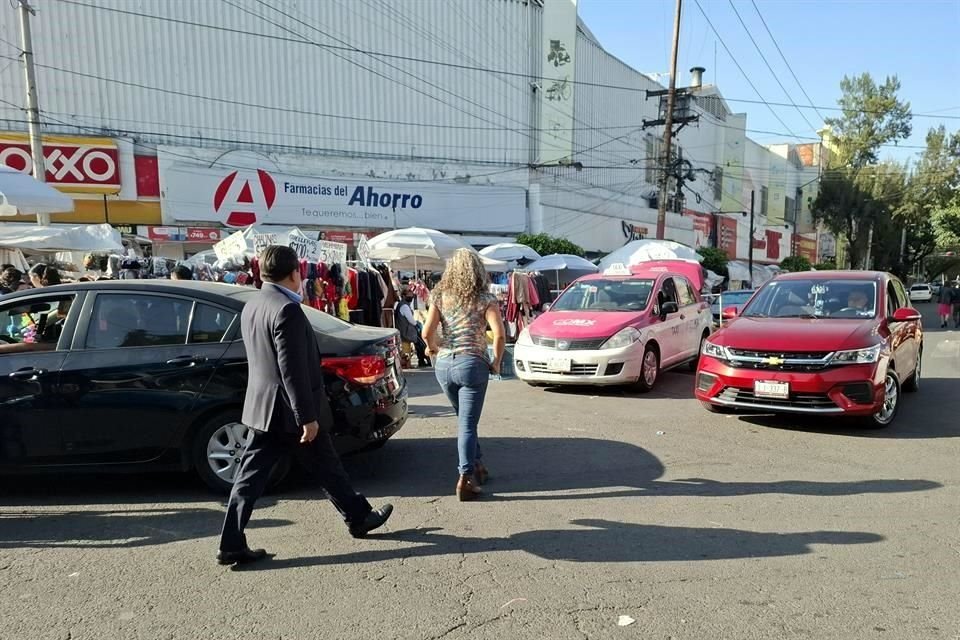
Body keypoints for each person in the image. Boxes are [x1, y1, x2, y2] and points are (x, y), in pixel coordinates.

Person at [218, 245, 393, 566]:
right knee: (309, 467)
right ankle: (357, 516)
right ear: (295, 273)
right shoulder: (286, 310)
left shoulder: (253, 305)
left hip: (264, 407)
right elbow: (292, 370)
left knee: (307, 468)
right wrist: (306, 417)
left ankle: (358, 516)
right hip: (289, 412)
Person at [421, 248, 506, 502]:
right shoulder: (485, 298)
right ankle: (465, 478)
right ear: (477, 270)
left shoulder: (439, 296)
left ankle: (477, 465)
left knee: (464, 419)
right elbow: (500, 334)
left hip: (444, 365)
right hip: (472, 364)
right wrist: (497, 361)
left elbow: (426, 333)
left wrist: (434, 348)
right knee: (467, 424)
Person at [395, 288, 430, 368]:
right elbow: (411, 320)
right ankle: (411, 363)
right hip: (406, 330)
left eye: (412, 296)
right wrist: (417, 324)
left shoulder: (402, 304)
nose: (411, 298)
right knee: (414, 345)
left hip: (403, 329)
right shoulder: (404, 306)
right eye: (409, 296)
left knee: (411, 345)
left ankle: (414, 362)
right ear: (403, 296)